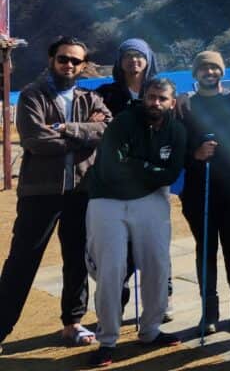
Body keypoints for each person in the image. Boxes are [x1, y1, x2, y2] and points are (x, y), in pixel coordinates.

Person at [0, 37, 110, 355]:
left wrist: (65, 128)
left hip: (80, 191)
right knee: (22, 260)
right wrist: (83, 135)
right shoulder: (34, 96)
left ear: (84, 65)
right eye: (64, 59)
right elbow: (35, 141)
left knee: (76, 258)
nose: (70, 65)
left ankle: (72, 322)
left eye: (76, 61)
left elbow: (107, 128)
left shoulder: (91, 97)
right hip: (40, 193)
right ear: (52, 60)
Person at [86, 77, 186, 367]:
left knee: (157, 264)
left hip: (150, 200)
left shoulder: (176, 131)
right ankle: (107, 340)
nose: (155, 102)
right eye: (151, 96)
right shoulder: (123, 123)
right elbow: (113, 166)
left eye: (162, 98)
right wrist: (150, 168)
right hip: (107, 200)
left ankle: (151, 330)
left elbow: (171, 174)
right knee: (111, 269)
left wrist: (138, 165)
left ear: (172, 102)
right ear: (144, 97)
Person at [95, 37, 175, 322]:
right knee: (120, 242)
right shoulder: (107, 93)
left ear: (148, 59)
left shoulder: (159, 91)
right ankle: (119, 300)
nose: (134, 61)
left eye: (139, 56)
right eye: (128, 56)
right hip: (118, 181)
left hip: (152, 178)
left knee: (156, 241)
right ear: (120, 61)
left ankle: (162, 299)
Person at [179, 50, 230, 333]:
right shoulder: (185, 106)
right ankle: (208, 310)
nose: (210, 73)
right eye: (204, 69)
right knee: (206, 249)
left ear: (222, 72)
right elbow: (176, 145)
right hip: (199, 190)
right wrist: (194, 153)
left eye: (215, 68)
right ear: (195, 74)